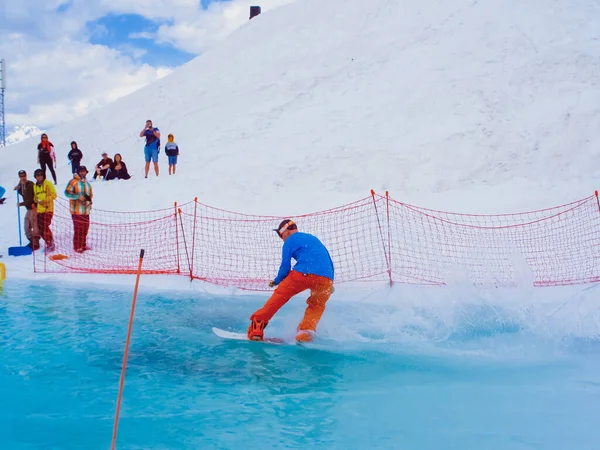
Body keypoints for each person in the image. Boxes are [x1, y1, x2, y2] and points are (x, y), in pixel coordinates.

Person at [247, 219, 335, 343]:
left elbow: (285, 267)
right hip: (326, 279)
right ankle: (305, 333)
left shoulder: (289, 241)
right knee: (317, 305)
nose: (281, 238)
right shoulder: (312, 238)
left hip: (303, 273)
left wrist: (277, 280)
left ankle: (257, 327)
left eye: (280, 235)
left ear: (286, 231)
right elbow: (328, 260)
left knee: (280, 296)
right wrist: (329, 283)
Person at [64, 166, 93, 253]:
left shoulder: (87, 184)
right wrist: (77, 197)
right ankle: (77, 246)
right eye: (81, 172)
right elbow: (66, 193)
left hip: (86, 211)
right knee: (78, 229)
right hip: (76, 211)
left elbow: (90, 194)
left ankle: (83, 245)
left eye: (84, 172)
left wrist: (89, 200)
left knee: (85, 228)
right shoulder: (73, 182)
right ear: (78, 172)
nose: (83, 173)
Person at [13, 170, 40, 250]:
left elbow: (29, 199)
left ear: (26, 175)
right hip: (29, 208)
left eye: (24, 176)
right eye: (21, 176)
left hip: (33, 207)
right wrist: (18, 187)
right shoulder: (22, 184)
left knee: (34, 226)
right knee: (26, 226)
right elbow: (21, 191)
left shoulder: (30, 184)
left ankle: (36, 243)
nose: (23, 177)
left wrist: (20, 204)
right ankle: (31, 241)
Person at [33, 168, 57, 252]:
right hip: (40, 210)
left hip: (48, 209)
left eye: (41, 175)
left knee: (45, 227)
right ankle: (48, 242)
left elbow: (54, 195)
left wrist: (45, 201)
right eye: (37, 176)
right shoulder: (35, 186)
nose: (39, 177)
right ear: (35, 177)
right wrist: (36, 199)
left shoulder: (48, 184)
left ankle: (50, 242)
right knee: (40, 228)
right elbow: (36, 197)